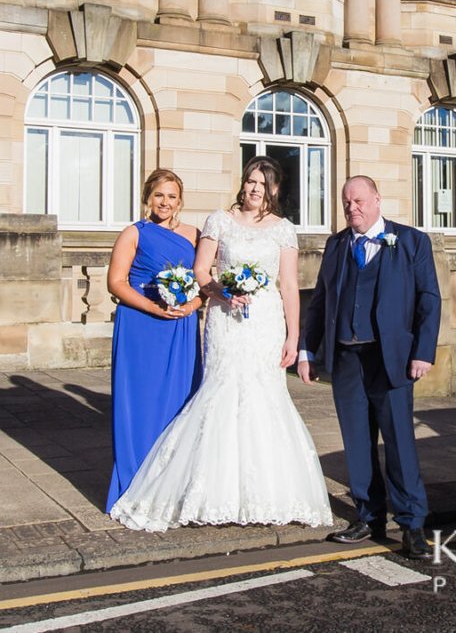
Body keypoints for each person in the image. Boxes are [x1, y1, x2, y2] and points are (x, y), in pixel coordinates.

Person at [110, 158, 332, 532]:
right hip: (225, 321)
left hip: (264, 323)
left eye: (262, 183)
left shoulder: (283, 230)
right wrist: (220, 290)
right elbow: (200, 270)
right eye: (249, 181)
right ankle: (211, 492)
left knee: (266, 396)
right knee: (220, 393)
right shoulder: (218, 221)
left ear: (273, 190)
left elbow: (290, 286)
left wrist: (295, 336)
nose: (254, 189)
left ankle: (269, 493)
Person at [298, 176, 441, 560]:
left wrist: (423, 352)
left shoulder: (411, 241)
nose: (352, 208)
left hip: (390, 359)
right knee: (357, 443)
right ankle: (368, 515)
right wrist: (307, 350)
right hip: (346, 360)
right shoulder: (336, 244)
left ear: (377, 200)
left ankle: (412, 524)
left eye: (359, 201)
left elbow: (429, 299)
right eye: (346, 203)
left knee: (399, 443)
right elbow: (320, 302)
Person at [105, 169, 202, 512]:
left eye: (172, 196)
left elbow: (205, 281)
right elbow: (116, 282)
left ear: (180, 200)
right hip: (141, 326)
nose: (165, 202)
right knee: (140, 403)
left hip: (180, 326)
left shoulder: (194, 235)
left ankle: (174, 484)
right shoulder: (133, 233)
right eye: (159, 195)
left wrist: (190, 305)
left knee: (181, 403)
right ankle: (134, 484)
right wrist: (152, 306)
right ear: (148, 196)